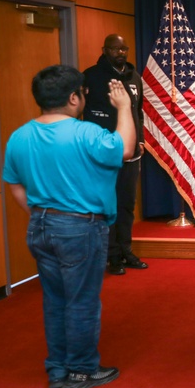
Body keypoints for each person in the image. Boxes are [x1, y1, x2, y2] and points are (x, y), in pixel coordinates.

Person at [2, 64, 136, 388]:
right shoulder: (85, 133)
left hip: (41, 226)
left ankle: (58, 369)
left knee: (55, 300)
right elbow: (127, 148)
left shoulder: (19, 136)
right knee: (81, 301)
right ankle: (81, 371)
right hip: (80, 228)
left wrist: (41, 214)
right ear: (74, 97)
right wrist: (125, 108)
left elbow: (15, 185)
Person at [83, 34, 146, 276]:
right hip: (103, 152)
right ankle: (111, 256)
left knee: (127, 204)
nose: (120, 52)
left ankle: (126, 250)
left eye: (124, 48)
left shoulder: (134, 77)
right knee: (107, 205)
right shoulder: (91, 76)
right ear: (105, 49)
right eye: (115, 48)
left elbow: (137, 113)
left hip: (130, 153)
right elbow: (85, 112)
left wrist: (139, 139)